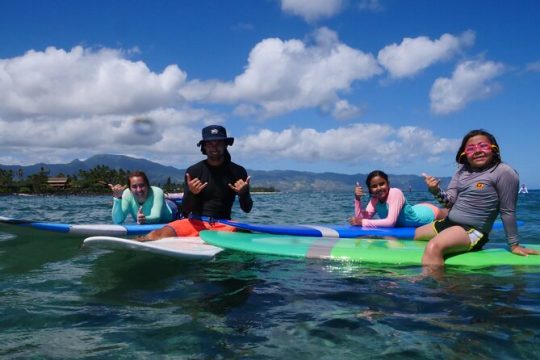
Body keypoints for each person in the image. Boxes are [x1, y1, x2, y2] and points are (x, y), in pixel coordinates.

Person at [415, 129, 539, 267]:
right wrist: (435, 190)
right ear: (464, 154)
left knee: (433, 247)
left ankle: (437, 287)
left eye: (483, 146)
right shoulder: (461, 172)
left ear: (494, 149)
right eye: (471, 148)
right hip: (448, 222)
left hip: (472, 230)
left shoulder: (504, 172)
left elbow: (507, 211)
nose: (478, 151)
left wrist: (514, 245)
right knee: (417, 234)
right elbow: (449, 202)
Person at [139, 124, 252, 241]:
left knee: (247, 236)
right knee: (155, 235)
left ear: (225, 145)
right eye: (210, 143)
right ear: (204, 146)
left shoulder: (238, 172)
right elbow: (186, 211)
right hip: (195, 223)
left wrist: (243, 193)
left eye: (218, 142)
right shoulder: (194, 171)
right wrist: (193, 193)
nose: (214, 147)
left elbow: (247, 209)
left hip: (224, 224)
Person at [349, 170, 447, 228]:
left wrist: (362, 222)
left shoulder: (395, 193)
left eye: (382, 184)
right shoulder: (374, 199)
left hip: (429, 214)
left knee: (454, 215)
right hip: (416, 208)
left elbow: (390, 222)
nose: (379, 188)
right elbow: (361, 219)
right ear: (370, 189)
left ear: (388, 184)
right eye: (374, 186)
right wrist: (357, 199)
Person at [109, 171, 178, 224]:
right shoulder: (127, 193)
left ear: (148, 186)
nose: (139, 190)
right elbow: (117, 221)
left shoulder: (157, 191)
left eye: (142, 185)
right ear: (129, 188)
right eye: (134, 187)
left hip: (171, 212)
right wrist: (118, 198)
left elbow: (157, 217)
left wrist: (144, 219)